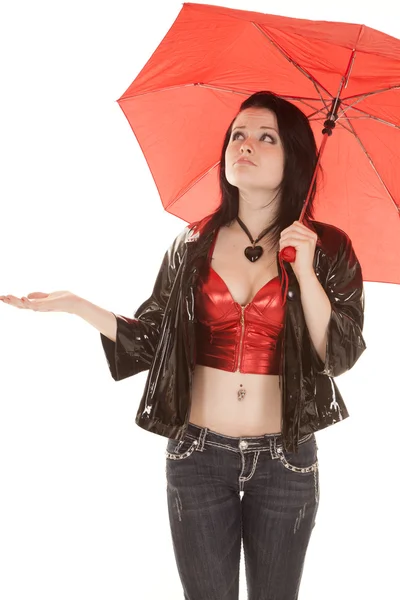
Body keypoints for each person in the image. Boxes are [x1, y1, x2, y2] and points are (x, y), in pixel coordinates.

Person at [0, 91, 366, 600]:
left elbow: (339, 356)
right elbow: (153, 339)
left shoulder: (327, 248)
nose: (245, 145)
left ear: (295, 156)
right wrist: (77, 306)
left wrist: (305, 272)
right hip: (198, 454)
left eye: (266, 137)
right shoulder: (193, 244)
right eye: (237, 134)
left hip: (287, 458)